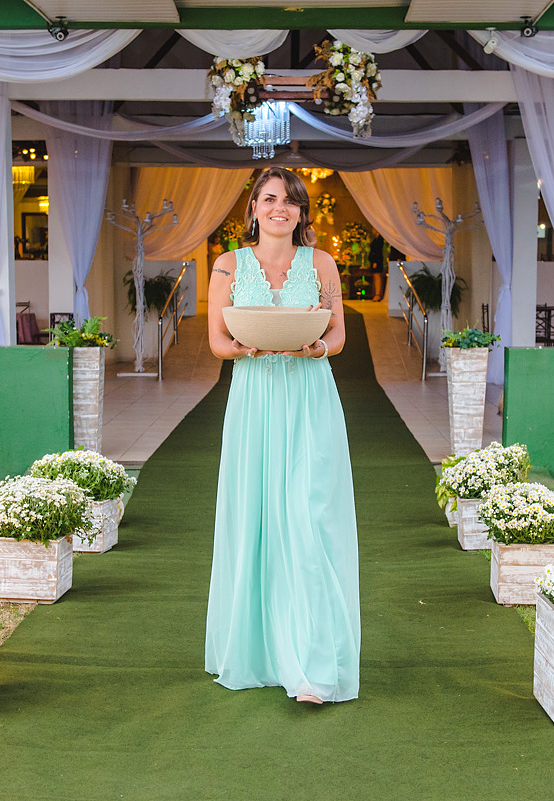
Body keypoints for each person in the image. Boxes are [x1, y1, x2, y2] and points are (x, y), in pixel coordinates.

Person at [204, 167, 361, 705]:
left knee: (307, 516)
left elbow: (336, 334)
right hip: (254, 399)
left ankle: (313, 662)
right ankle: (256, 650)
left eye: (292, 200)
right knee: (255, 515)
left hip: (309, 396)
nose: (281, 208)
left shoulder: (321, 263)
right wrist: (246, 348)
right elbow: (218, 342)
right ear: (253, 207)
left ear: (301, 212)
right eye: (270, 198)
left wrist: (311, 348)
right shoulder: (228, 264)